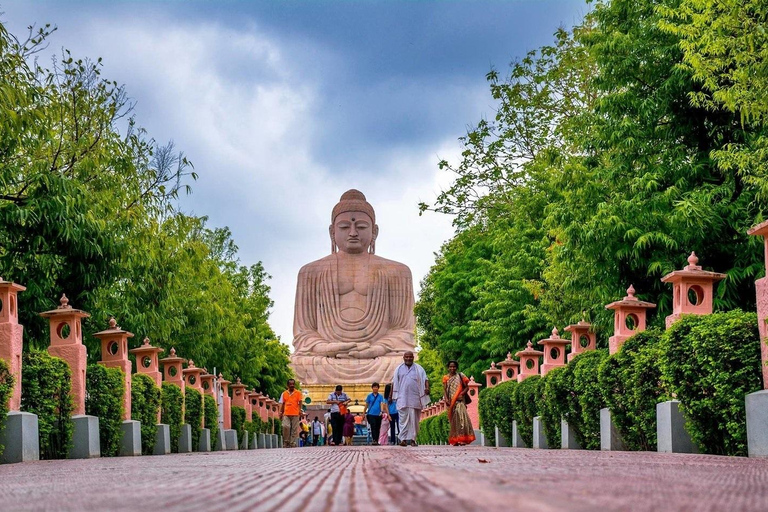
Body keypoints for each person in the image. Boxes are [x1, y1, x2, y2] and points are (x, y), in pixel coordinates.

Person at [291, 190, 417, 385]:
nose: (352, 232)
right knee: (297, 364)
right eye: (344, 227)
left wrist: (378, 348)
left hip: (379, 359)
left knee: (401, 363)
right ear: (332, 232)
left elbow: (404, 331)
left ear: (374, 231)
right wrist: (328, 348)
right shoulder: (310, 272)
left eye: (361, 226)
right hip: (328, 359)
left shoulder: (398, 271)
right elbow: (304, 333)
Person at [392, 351, 429, 446]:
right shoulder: (398, 369)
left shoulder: (419, 368)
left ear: (413, 357)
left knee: (415, 420)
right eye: (406, 357)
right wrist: (391, 396)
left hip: (415, 397)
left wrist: (427, 388)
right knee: (402, 420)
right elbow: (394, 383)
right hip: (402, 398)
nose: (408, 358)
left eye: (410, 357)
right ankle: (403, 439)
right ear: (403, 358)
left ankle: (413, 439)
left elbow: (425, 379)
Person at [443, 360, 476, 446]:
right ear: (448, 367)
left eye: (454, 366)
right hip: (451, 402)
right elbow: (445, 390)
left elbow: (467, 388)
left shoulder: (461, 376)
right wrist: (446, 399)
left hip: (460, 400)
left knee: (461, 418)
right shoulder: (446, 378)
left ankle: (462, 439)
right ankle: (456, 439)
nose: (452, 368)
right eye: (450, 366)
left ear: (456, 367)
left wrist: (461, 393)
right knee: (454, 421)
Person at [278, 379, 303, 448]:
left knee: (294, 429)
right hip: (286, 413)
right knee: (285, 426)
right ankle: (286, 442)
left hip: (295, 413)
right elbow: (282, 403)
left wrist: (300, 410)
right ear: (287, 385)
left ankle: (292, 443)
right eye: (290, 384)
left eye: (293, 384)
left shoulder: (298, 393)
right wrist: (280, 412)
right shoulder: (284, 393)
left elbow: (300, 402)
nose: (292, 385)